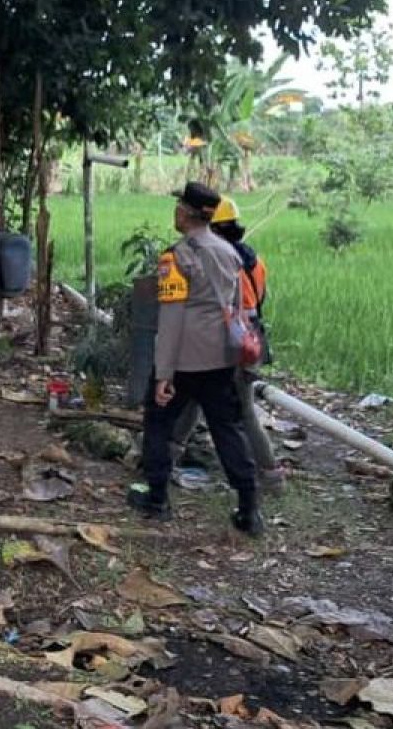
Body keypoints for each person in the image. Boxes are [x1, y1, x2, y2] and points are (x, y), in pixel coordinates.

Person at [128, 182, 263, 536]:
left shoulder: (177, 257)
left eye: (178, 207)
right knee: (227, 429)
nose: (175, 212)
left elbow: (171, 318)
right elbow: (235, 309)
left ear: (185, 213)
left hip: (185, 357)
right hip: (220, 357)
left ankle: (157, 497)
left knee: (158, 422)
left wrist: (164, 373)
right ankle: (249, 506)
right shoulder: (229, 252)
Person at [169, 196, 280, 484]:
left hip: (223, 340)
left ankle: (269, 475)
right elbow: (258, 300)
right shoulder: (253, 261)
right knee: (195, 399)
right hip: (251, 338)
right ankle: (166, 456)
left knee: (239, 410)